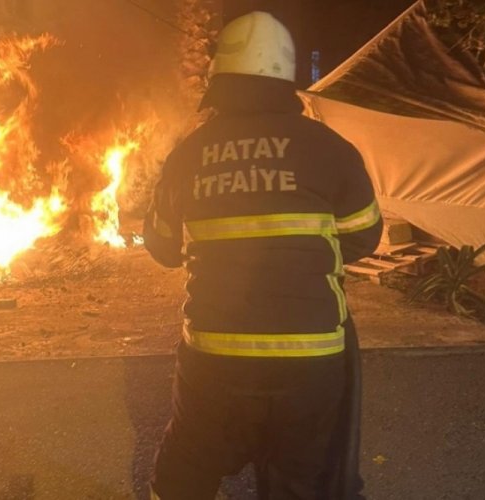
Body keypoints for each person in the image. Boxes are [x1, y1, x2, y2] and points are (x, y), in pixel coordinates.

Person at [143, 11, 382, 500]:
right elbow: (364, 236)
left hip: (215, 355)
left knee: (185, 471)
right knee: (301, 478)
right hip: (312, 356)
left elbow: (161, 246)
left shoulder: (189, 153)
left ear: (219, 78)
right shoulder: (329, 148)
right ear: (286, 78)